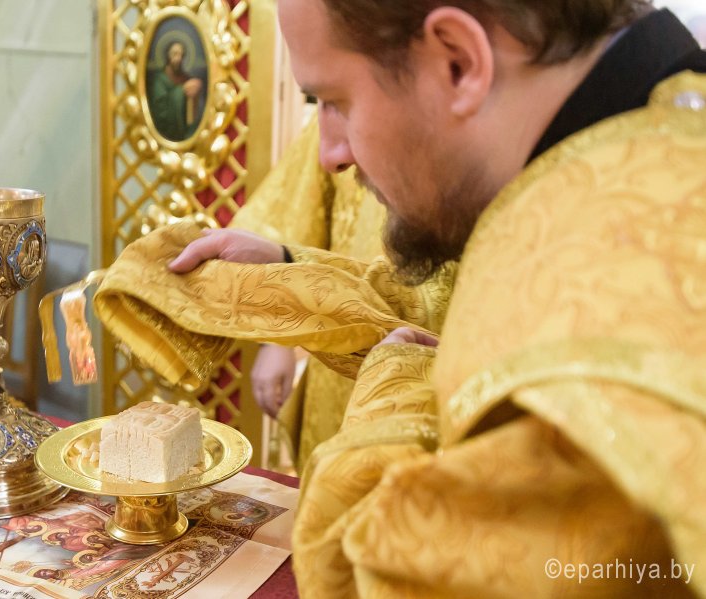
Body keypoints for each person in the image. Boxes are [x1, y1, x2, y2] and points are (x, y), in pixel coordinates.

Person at [165, 0, 706, 596]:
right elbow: (464, 301)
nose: (329, 155)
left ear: (458, 62)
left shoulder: (620, 274)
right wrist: (290, 270)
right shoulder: (644, 147)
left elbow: (383, 579)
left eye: (336, 101)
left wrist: (397, 387)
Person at [232, 116, 456, 472]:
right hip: (339, 357)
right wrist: (278, 334)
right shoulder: (334, 118)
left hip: (440, 397)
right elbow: (298, 209)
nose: (334, 158)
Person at [148, 40, 203, 142]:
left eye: (181, 55)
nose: (178, 58)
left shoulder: (186, 78)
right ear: (167, 56)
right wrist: (182, 91)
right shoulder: (159, 80)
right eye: (175, 54)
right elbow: (160, 111)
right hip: (167, 135)